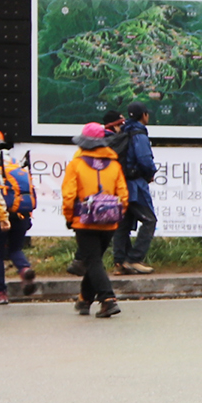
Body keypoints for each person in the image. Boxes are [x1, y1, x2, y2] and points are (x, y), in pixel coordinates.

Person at [61, 123, 130, 320]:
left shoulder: (76, 165)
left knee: (92, 261)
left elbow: (69, 195)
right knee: (95, 261)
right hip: (109, 222)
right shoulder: (115, 165)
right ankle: (84, 299)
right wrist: (117, 214)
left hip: (85, 221)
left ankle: (108, 300)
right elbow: (123, 196)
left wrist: (69, 217)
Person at [0, 132, 36, 303]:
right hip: (21, 212)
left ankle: (0, 293)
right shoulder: (16, 162)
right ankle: (24, 268)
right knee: (15, 249)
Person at [113, 101, 159, 274]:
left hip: (121, 184)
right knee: (149, 220)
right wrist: (150, 173)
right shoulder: (139, 134)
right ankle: (134, 259)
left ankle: (119, 262)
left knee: (123, 223)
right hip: (135, 186)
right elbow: (144, 159)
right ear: (144, 115)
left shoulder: (124, 131)